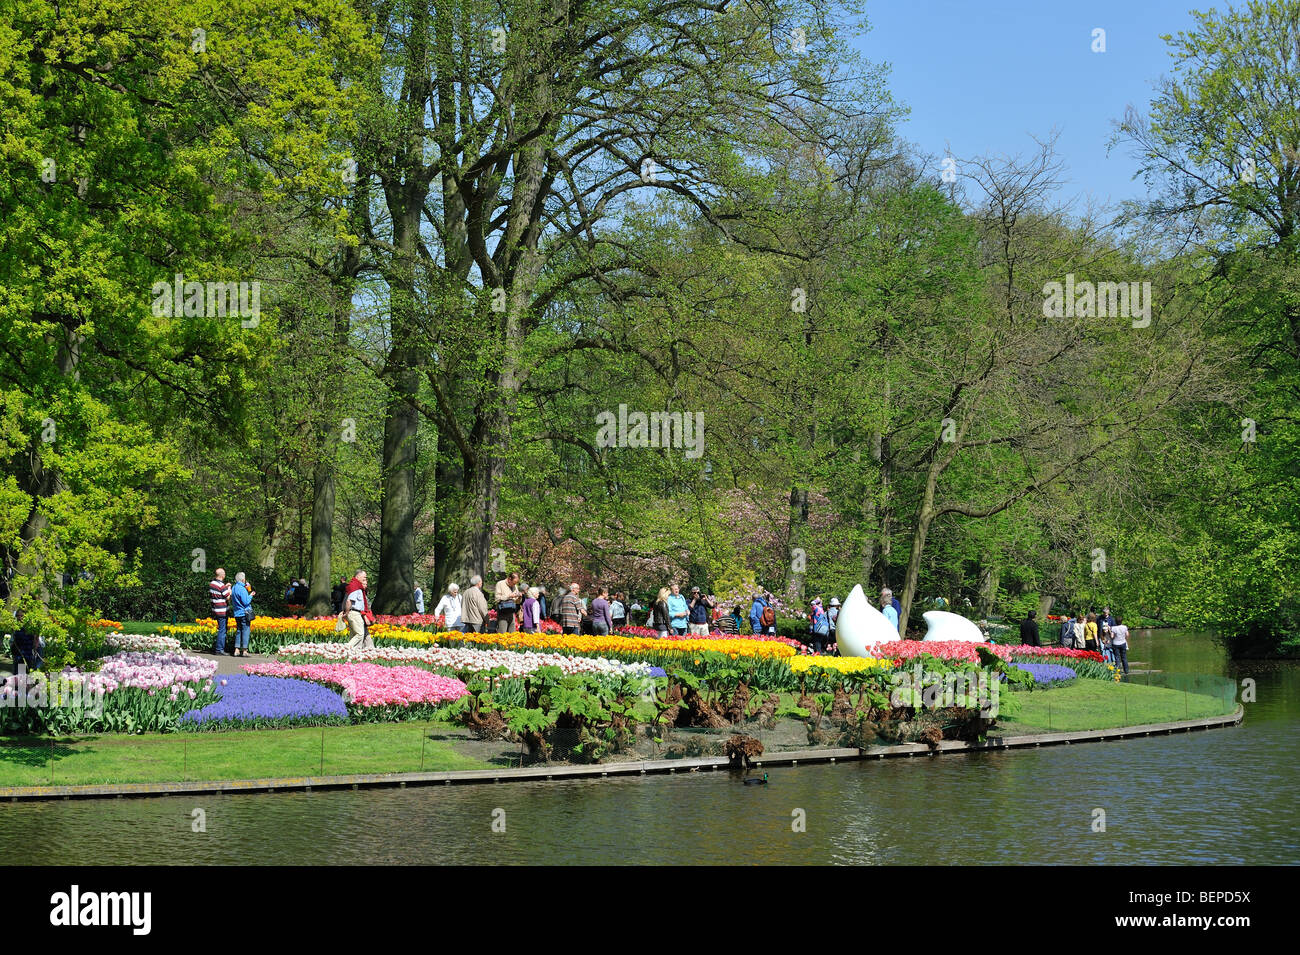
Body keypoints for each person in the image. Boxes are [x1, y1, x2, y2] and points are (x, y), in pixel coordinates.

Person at [336, 569, 374, 650]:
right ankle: (346, 647)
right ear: (358, 576)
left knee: (354, 634)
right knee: (360, 634)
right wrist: (347, 612)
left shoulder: (356, 586)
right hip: (354, 613)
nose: (365, 579)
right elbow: (349, 601)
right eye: (364, 577)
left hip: (355, 613)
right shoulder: (355, 587)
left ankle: (354, 652)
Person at [230, 571, 254, 657]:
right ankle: (244, 650)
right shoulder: (242, 589)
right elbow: (246, 601)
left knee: (239, 631)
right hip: (244, 613)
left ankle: (236, 650)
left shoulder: (234, 588)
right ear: (243, 579)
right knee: (246, 631)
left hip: (237, 613)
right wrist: (251, 594)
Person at [208, 568, 232, 655]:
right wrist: (229, 588)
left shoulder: (212, 584)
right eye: (224, 574)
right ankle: (219, 649)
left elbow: (219, 593)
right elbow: (227, 596)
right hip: (222, 610)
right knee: (222, 630)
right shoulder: (221, 586)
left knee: (220, 628)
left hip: (215, 609)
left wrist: (225, 586)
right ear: (222, 575)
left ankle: (219, 648)